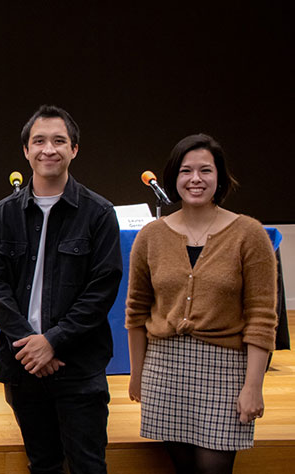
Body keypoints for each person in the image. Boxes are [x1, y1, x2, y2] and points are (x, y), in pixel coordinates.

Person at [0, 105, 123, 474]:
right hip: (23, 365)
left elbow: (102, 289)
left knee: (89, 466)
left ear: (74, 149)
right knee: (42, 464)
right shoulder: (4, 214)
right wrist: (32, 344)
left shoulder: (99, 213)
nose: (49, 149)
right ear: (26, 151)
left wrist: (53, 341)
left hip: (78, 365)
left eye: (59, 141)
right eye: (38, 141)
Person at [125, 134, 278, 473]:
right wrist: (137, 375)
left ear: (220, 177)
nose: (195, 179)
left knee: (214, 469)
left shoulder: (248, 234)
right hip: (165, 369)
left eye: (205, 170)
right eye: (185, 171)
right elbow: (136, 311)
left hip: (225, 369)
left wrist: (253, 386)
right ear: (173, 178)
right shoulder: (151, 236)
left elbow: (262, 317)